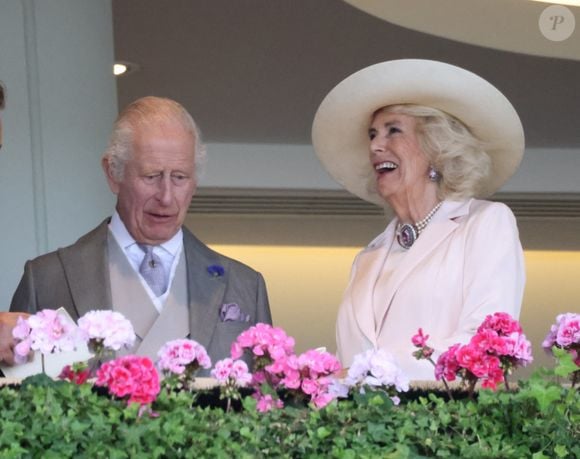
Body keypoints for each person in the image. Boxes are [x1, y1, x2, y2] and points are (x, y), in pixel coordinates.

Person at [1, 96, 272, 370]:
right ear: (112, 173)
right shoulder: (47, 278)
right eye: (151, 176)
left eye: (180, 177)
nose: (166, 197)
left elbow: (267, 403)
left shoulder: (246, 285)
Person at [311, 59, 526, 380]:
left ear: (436, 148)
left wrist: (370, 374)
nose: (375, 146)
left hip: (450, 424)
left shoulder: (484, 224)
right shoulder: (367, 258)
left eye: (392, 131)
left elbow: (486, 346)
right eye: (372, 134)